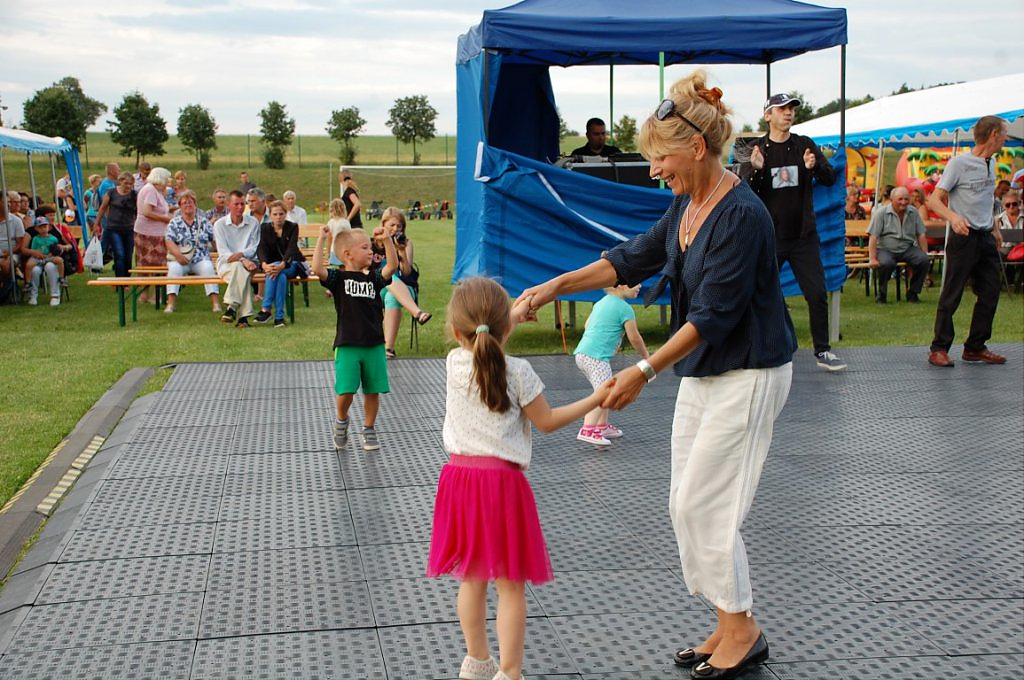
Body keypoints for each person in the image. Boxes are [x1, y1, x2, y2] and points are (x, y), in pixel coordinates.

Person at [515, 70, 795, 680]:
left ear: (696, 147)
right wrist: (557, 284)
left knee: (708, 504)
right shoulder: (687, 204)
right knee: (685, 503)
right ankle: (728, 621)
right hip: (707, 370)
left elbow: (714, 315)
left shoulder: (740, 215)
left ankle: (743, 631)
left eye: (660, 158)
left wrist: (642, 369)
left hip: (748, 373)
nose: (653, 170)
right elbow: (632, 256)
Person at [428, 276, 614, 680]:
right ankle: (510, 673)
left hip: (459, 481)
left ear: (457, 332)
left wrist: (506, 319)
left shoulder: (454, 362)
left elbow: (482, 342)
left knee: (472, 578)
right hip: (501, 486)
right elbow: (547, 421)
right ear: (505, 328)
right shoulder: (518, 372)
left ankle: (476, 661)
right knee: (510, 584)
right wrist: (596, 398)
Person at [744, 92, 845, 371]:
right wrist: (756, 170)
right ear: (768, 116)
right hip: (770, 237)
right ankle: (756, 347)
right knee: (757, 292)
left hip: (803, 236)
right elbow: (744, 190)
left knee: (817, 293)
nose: (788, 113)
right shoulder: (756, 149)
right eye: (782, 109)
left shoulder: (804, 145)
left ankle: (823, 351)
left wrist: (814, 167)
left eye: (791, 109)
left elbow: (830, 178)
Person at [926, 116, 1009, 368]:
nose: (1005, 138)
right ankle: (939, 348)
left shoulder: (992, 163)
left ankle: (975, 347)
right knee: (952, 293)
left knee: (991, 292)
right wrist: (953, 218)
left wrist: (995, 228)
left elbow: (986, 199)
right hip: (963, 237)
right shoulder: (958, 163)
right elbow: (934, 200)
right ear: (993, 134)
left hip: (985, 236)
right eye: (1004, 134)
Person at [310, 224, 398, 452]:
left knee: (373, 390)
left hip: (374, 344)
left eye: (370, 247)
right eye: (365, 248)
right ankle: (342, 420)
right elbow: (317, 268)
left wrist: (387, 240)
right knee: (346, 390)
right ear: (348, 254)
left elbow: (392, 266)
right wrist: (321, 239)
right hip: (348, 344)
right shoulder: (338, 278)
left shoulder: (374, 278)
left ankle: (369, 428)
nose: (370, 251)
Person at [573, 283, 649, 446]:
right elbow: (634, 337)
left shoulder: (601, 302)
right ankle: (587, 429)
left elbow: (587, 325)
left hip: (583, 354)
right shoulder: (625, 309)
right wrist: (646, 357)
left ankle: (601, 426)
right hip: (596, 357)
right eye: (636, 282)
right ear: (621, 285)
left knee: (606, 388)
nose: (640, 285)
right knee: (603, 392)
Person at [375, 207, 432, 359]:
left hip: (405, 289)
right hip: (377, 288)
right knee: (388, 277)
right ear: (383, 225)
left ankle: (388, 348)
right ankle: (417, 312)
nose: (395, 229)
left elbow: (406, 273)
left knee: (391, 295)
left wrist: (401, 252)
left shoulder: (406, 243)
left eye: (399, 226)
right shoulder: (374, 243)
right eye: (392, 225)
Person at [867, 187, 930, 304]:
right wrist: (872, 258)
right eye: (900, 199)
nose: (903, 202)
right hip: (885, 249)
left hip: (907, 248)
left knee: (924, 260)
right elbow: (873, 236)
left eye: (906, 199)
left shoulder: (913, 212)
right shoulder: (881, 213)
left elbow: (921, 234)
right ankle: (882, 294)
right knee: (886, 263)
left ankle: (913, 292)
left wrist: (924, 253)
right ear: (892, 200)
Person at [164, 190, 221, 314]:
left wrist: (221, 252)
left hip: (200, 258)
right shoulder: (174, 223)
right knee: (174, 270)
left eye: (190, 202)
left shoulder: (204, 222)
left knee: (208, 268)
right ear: (180, 206)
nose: (188, 205)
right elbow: (169, 241)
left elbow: (214, 240)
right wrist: (178, 256)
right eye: (184, 203)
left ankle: (216, 303)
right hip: (180, 259)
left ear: (195, 205)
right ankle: (171, 304)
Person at [213, 190, 261, 327]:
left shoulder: (253, 223)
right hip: (227, 265)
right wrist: (242, 259)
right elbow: (224, 253)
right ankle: (242, 318)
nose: (240, 207)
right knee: (240, 271)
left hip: (250, 263)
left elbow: (254, 248)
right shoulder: (220, 225)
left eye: (242, 204)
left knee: (241, 270)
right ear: (228, 204)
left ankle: (232, 307)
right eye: (236, 204)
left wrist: (241, 256)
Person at [255, 200, 306, 327]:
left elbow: (291, 249)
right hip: (273, 267)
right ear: (270, 215)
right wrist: (264, 264)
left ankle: (266, 309)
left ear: (285, 214)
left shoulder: (292, 227)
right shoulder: (264, 228)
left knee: (277, 271)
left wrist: (281, 265)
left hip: (291, 264)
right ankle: (279, 317)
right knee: (280, 276)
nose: (278, 217)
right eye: (275, 214)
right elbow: (261, 248)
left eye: (281, 214)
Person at [134, 166, 173, 305]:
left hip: (154, 232)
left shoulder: (155, 191)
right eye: (166, 179)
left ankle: (150, 295)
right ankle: (153, 296)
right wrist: (166, 219)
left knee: (149, 264)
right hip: (149, 234)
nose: (168, 182)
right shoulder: (150, 190)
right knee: (154, 264)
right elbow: (147, 212)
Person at [94, 171, 137, 277]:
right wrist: (96, 224)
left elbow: (138, 211)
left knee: (128, 257)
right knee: (119, 255)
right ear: (120, 181)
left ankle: (126, 280)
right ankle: (119, 281)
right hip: (113, 228)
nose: (128, 186)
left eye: (130, 184)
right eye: (126, 183)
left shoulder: (134, 195)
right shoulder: (111, 192)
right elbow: (102, 208)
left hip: (129, 228)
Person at [25, 217, 70, 306]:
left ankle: (60, 282)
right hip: (39, 258)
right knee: (33, 269)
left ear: (49, 227)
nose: (43, 229)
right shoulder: (35, 239)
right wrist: (37, 254)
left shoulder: (53, 238)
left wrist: (53, 253)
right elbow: (33, 250)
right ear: (36, 228)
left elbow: (56, 249)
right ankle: (31, 291)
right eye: (40, 227)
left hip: (49, 258)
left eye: (45, 226)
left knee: (54, 264)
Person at [995, 189, 1022, 287]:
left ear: (1019, 203)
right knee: (995, 255)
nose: (1011, 207)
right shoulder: (997, 219)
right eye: (1008, 205)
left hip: (1021, 249)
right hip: (1003, 250)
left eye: (1014, 204)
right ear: (1003, 206)